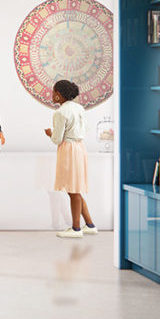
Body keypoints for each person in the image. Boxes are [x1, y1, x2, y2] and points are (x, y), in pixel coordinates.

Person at [47, 80, 95, 238]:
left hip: (68, 150)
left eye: (54, 92)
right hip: (80, 147)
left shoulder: (60, 113)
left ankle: (76, 229)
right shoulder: (79, 108)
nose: (52, 95)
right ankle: (89, 224)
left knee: (73, 190)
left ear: (59, 94)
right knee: (76, 188)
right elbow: (85, 128)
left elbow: (57, 139)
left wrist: (49, 133)